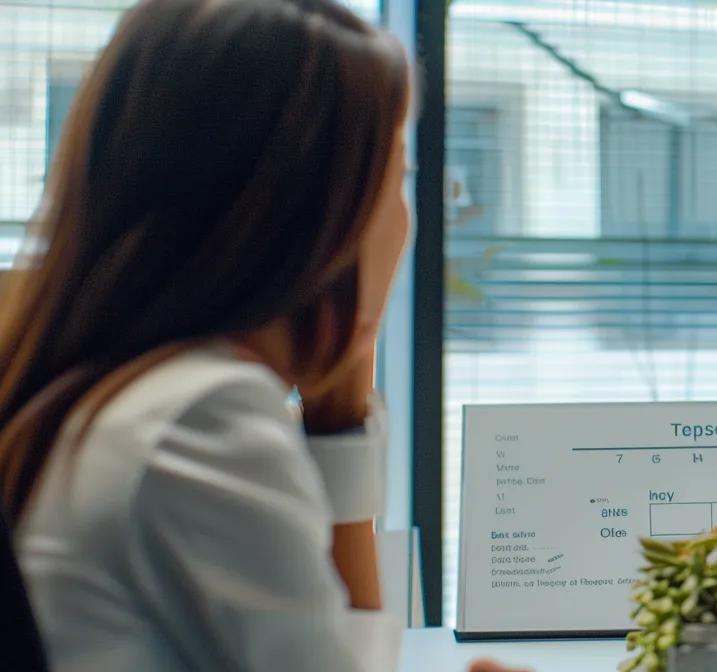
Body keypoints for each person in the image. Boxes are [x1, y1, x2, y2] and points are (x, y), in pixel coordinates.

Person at [0, 1, 517, 670]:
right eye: (402, 179)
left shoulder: (93, 395)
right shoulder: (201, 418)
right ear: (317, 214)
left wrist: (339, 420)